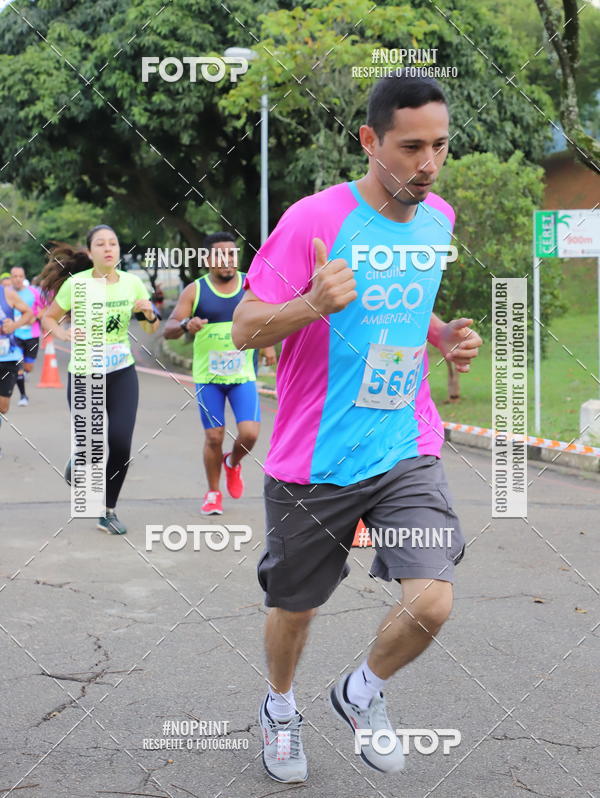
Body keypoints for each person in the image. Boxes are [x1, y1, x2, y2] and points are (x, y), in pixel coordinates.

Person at [232, 73, 483, 783]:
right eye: (410, 147)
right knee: (296, 609)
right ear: (371, 141)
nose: (427, 163)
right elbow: (248, 325)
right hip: (315, 457)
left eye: (439, 146)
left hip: (405, 442)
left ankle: (361, 691)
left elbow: (406, 302)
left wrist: (439, 337)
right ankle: (280, 707)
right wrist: (310, 304)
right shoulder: (314, 219)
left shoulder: (439, 219)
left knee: (432, 599)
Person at [41, 225, 160, 534]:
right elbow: (48, 316)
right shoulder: (75, 285)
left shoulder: (133, 284)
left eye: (113, 244)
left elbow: (150, 329)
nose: (109, 249)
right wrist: (63, 332)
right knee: (92, 447)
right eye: (101, 244)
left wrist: (147, 314)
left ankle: (107, 511)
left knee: (120, 443)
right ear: (91, 252)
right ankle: (80, 458)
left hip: (122, 372)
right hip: (84, 373)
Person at [164, 232, 276, 515]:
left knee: (249, 434)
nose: (226, 260)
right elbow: (169, 327)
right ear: (206, 259)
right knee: (214, 437)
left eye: (231, 254)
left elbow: (264, 316)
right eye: (219, 255)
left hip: (242, 376)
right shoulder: (196, 290)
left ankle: (232, 463)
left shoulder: (250, 284)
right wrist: (186, 323)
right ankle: (213, 492)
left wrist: (268, 346)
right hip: (209, 378)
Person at [0, 281, 34, 451]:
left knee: (3, 407)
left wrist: (14, 325)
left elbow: (29, 313)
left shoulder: (7, 294)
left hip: (7, 358)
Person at [10, 266, 43, 406]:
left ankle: (24, 373)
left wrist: (34, 317)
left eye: (20, 276)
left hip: (32, 335)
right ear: (11, 278)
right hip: (14, 335)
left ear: (24, 277)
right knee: (19, 366)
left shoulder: (33, 292)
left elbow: (44, 311)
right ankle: (23, 396)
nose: (18, 279)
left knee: (28, 366)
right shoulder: (7, 293)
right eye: (15, 276)